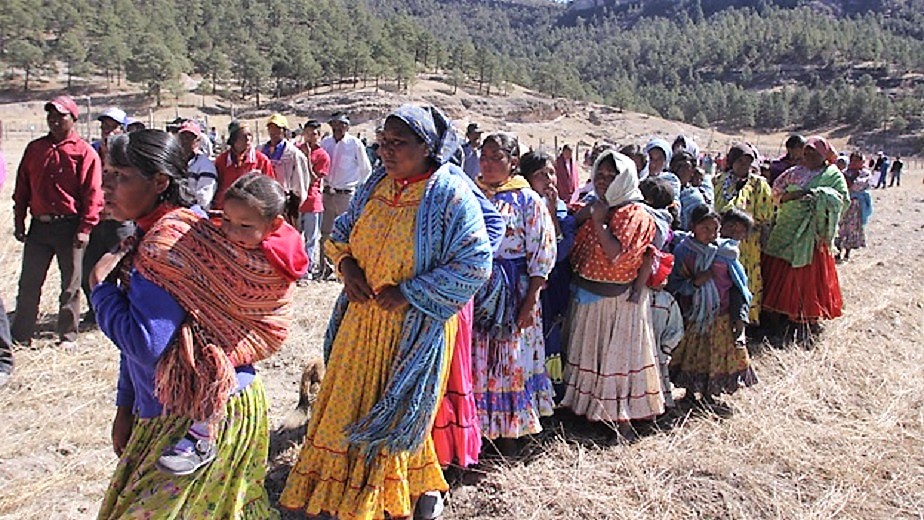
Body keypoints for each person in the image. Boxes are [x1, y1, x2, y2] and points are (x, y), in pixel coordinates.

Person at [280, 104, 492, 520]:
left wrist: (411, 292)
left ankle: (386, 495)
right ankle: (341, 490)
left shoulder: (448, 192)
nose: (387, 152)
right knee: (346, 406)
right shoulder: (376, 183)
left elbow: (475, 263)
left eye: (399, 144)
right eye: (383, 143)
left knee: (393, 412)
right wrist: (347, 266)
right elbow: (340, 236)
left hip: (411, 325)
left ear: (427, 146)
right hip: (362, 320)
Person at [89, 130, 279, 518]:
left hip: (200, 418)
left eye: (120, 176)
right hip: (183, 410)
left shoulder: (168, 245)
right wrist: (127, 405)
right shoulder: (174, 228)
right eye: (106, 173)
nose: (106, 186)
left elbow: (146, 343)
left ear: (160, 181)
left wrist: (98, 289)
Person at [155, 172, 307, 476]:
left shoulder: (278, 253)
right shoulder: (224, 238)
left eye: (244, 226)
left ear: (274, 225)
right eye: (226, 220)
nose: (231, 232)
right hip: (224, 323)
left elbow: (264, 288)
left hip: (258, 329)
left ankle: (202, 435)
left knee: (213, 359)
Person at [561, 150, 663, 440]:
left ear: (627, 178)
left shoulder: (635, 214)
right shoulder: (596, 205)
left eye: (611, 176)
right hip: (588, 297)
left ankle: (621, 421)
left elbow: (616, 255)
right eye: (600, 175)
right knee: (591, 357)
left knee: (617, 362)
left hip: (617, 304)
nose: (604, 181)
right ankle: (588, 414)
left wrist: (598, 222)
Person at [471, 132, 556, 453]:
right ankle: (478, 432)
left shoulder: (526, 200)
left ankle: (510, 434)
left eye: (497, 157)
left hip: (515, 291)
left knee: (510, 360)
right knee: (480, 361)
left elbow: (542, 252)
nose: (489, 164)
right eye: (485, 156)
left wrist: (530, 300)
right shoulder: (472, 194)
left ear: (513, 163)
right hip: (477, 291)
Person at [12, 95, 103, 349]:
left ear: (73, 118)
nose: (54, 119)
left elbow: (92, 193)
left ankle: (67, 335)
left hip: (70, 226)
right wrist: (19, 221)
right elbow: (22, 188)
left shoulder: (84, 152)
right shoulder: (35, 149)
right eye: (50, 114)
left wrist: (85, 228)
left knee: (70, 284)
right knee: (29, 282)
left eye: (60, 114)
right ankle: (21, 335)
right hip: (39, 227)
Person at [668, 205, 757, 403]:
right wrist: (694, 283)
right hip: (694, 315)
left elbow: (739, 286)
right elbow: (674, 283)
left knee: (716, 357)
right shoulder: (684, 251)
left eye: (715, 229)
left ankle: (710, 393)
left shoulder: (726, 252)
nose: (711, 234)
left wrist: (740, 316)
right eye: (705, 229)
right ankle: (690, 392)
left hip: (722, 315)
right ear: (692, 227)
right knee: (694, 355)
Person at [762, 136, 847, 338]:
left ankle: (801, 320)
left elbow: (842, 200)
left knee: (804, 275)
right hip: (787, 227)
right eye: (806, 152)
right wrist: (792, 196)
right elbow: (776, 192)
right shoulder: (794, 172)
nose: (808, 156)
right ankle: (777, 317)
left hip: (812, 234)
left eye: (814, 153)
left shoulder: (833, 175)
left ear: (824, 155)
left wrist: (818, 195)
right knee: (779, 269)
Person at [520, 150, 576, 403]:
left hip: (554, 286)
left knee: (552, 336)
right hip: (528, 284)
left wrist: (553, 214)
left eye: (551, 172)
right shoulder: (521, 206)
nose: (549, 179)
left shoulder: (561, 209)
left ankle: (551, 394)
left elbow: (561, 251)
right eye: (541, 174)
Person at [712, 143, 774, 325]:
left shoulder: (758, 184)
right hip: (722, 239)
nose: (744, 165)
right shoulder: (719, 181)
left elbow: (766, 212)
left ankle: (745, 318)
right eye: (740, 161)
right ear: (731, 162)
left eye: (748, 161)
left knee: (746, 276)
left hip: (748, 241)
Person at [318, 112, 373, 278]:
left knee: (346, 233)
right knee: (325, 233)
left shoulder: (355, 144)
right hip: (327, 193)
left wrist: (358, 191)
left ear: (347, 126)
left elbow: (366, 170)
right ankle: (324, 268)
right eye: (335, 124)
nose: (338, 127)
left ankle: (346, 270)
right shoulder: (325, 143)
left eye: (341, 124)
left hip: (345, 195)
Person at [296, 119, 330, 282]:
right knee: (295, 237)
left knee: (311, 239)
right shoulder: (296, 150)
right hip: (296, 201)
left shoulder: (322, 155)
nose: (311, 137)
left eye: (314, 134)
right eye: (308, 133)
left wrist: (308, 159)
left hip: (312, 201)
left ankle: (307, 270)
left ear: (319, 136)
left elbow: (314, 178)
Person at [213, 120, 275, 209]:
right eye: (243, 135)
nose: (248, 138)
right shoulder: (222, 161)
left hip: (252, 212)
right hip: (226, 211)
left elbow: (270, 190)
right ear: (234, 139)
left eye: (249, 134)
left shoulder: (261, 160)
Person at [262, 114, 310, 225]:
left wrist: (296, 203)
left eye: (277, 128)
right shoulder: (260, 150)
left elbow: (301, 181)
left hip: (284, 200)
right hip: (262, 199)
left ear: (284, 131)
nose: (273, 132)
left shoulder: (293, 154)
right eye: (270, 128)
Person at [835, 152, 873, 262]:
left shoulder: (865, 174)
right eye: (853, 160)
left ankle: (847, 252)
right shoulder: (844, 173)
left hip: (856, 205)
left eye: (858, 161)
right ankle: (838, 251)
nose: (855, 163)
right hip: (843, 203)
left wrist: (849, 185)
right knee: (840, 227)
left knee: (852, 228)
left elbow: (858, 185)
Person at [178, 120, 218, 209]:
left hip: (195, 212)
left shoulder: (206, 166)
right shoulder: (175, 162)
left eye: (189, 138)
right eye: (182, 137)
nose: (184, 141)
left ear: (198, 141)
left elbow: (203, 199)